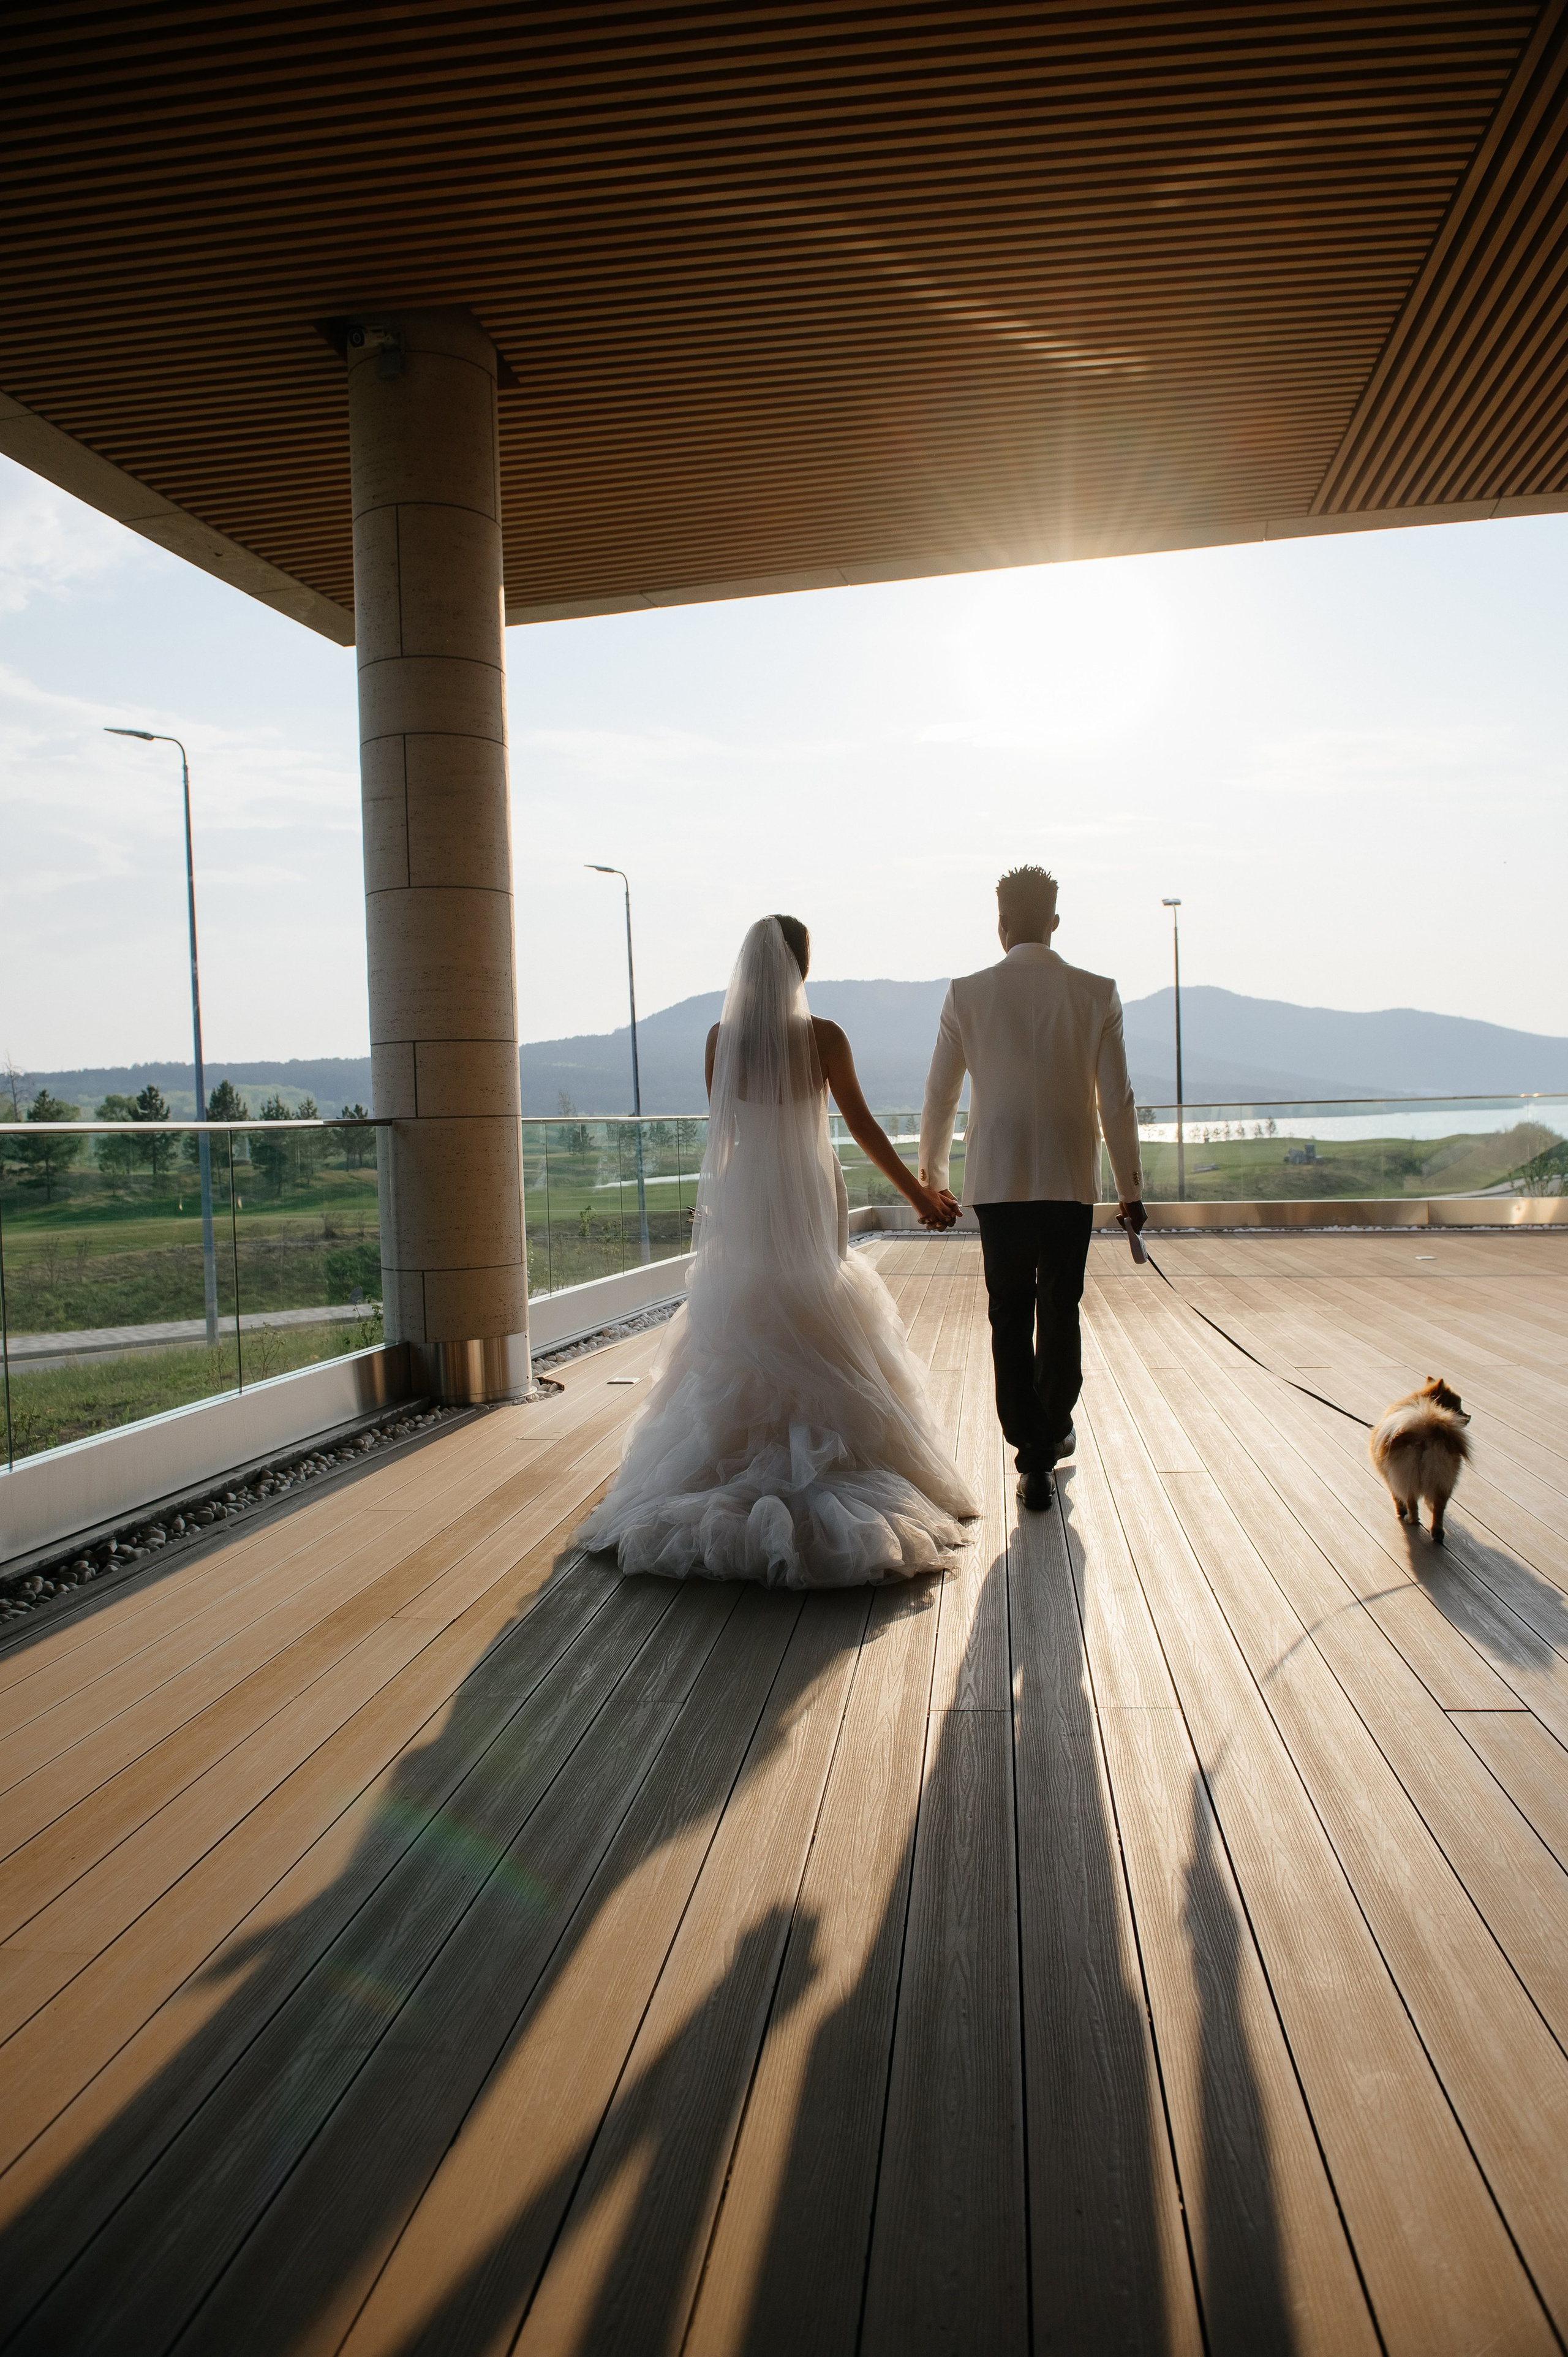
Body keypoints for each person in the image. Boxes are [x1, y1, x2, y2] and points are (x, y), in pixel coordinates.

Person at [577, 914, 976, 1586]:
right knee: (816, 1303)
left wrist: (729, 1206)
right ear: (801, 967)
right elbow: (861, 1127)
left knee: (750, 1314)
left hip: (748, 1193)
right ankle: (834, 1463)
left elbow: (724, 1133)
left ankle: (729, 1460)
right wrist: (917, 1194)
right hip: (809, 1194)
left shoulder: (719, 1040)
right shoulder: (823, 1038)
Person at [918, 865, 1145, 1511]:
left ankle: (1032, 1457)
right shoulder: (1097, 992)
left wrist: (931, 1182)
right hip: (1070, 1179)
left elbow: (940, 1097)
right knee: (1061, 1306)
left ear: (1000, 923)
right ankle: (1052, 1428)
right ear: (1052, 921)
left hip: (996, 1179)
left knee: (1009, 1314)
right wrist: (1130, 1188)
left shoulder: (965, 994)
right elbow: (1117, 1101)